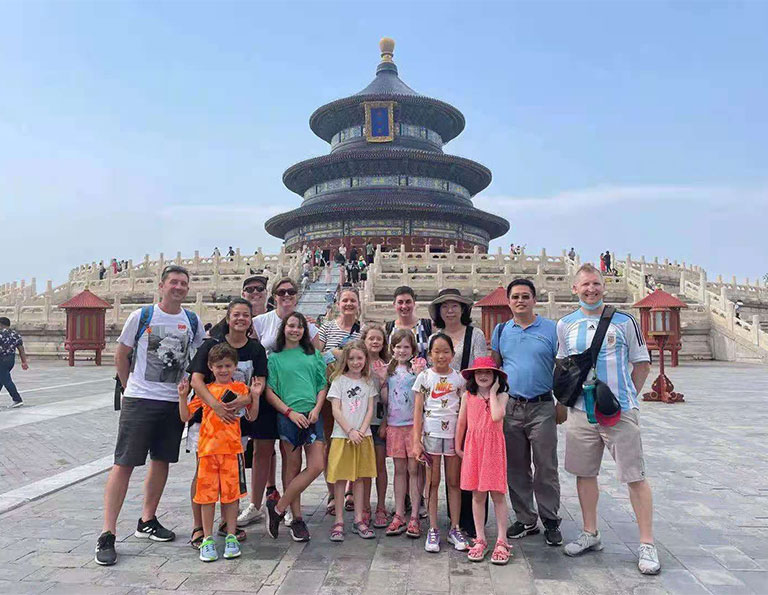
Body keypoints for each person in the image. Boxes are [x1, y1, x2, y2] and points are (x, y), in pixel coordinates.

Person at [95, 265, 205, 566]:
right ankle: (108, 532)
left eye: (184, 283)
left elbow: (201, 355)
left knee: (162, 461)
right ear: (161, 286)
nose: (179, 287)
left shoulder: (192, 320)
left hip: (173, 402)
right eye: (173, 282)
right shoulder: (142, 316)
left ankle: (147, 519)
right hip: (140, 400)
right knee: (124, 463)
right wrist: (129, 383)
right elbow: (121, 353)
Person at [557, 263, 658, 575]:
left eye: (596, 284)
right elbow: (563, 365)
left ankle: (646, 542)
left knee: (634, 475)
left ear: (604, 286)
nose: (591, 289)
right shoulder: (565, 324)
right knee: (584, 473)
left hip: (618, 412)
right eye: (585, 285)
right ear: (574, 289)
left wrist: (625, 398)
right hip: (579, 411)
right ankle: (590, 532)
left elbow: (641, 364)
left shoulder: (623, 322)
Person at [187, 299, 267, 547]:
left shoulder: (255, 349)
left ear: (251, 318)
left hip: (236, 423)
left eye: (246, 315)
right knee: (203, 474)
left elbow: (259, 382)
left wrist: (242, 400)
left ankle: (226, 523)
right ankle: (199, 527)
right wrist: (216, 405)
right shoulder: (212, 345)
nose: (241, 319)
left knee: (231, 476)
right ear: (228, 317)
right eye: (236, 315)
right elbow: (197, 380)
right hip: (208, 422)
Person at [491, 278, 562, 546]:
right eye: (515, 297)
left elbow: (563, 367)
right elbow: (496, 368)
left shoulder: (552, 329)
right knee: (516, 466)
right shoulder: (501, 331)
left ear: (534, 299)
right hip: (511, 406)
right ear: (508, 301)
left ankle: (551, 518)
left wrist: (562, 403)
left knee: (546, 465)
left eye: (525, 296)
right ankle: (525, 518)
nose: (520, 301)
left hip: (542, 405)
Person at [178, 343, 259, 562]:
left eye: (228, 366)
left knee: (231, 496)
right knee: (207, 497)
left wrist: (256, 395)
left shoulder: (241, 389)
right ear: (210, 367)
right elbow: (186, 417)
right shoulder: (206, 392)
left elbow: (252, 416)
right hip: (208, 451)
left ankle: (231, 535)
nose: (223, 370)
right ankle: (207, 537)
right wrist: (182, 397)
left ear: (235, 367)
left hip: (232, 451)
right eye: (219, 366)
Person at [428, 288, 487, 536]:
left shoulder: (476, 335)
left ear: (464, 309)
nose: (450, 310)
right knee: (449, 467)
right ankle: (451, 518)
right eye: (444, 306)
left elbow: (481, 369)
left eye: (455, 305)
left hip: (468, 404)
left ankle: (471, 520)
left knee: (469, 461)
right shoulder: (436, 335)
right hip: (441, 411)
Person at [264, 312, 328, 542]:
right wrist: (289, 413)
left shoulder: (314, 355)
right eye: (291, 326)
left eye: (300, 327)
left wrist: (317, 409)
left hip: (312, 416)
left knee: (317, 465)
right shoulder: (275, 359)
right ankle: (297, 517)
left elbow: (322, 385)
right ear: (284, 329)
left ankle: (278, 508)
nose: (295, 330)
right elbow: (270, 391)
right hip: (288, 416)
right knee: (292, 467)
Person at [412, 334, 469, 553]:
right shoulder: (424, 377)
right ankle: (433, 528)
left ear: (453, 355)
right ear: (429, 354)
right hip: (431, 436)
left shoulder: (459, 379)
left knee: (454, 483)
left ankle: (455, 527)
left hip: (454, 437)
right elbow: (418, 411)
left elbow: (464, 410)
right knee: (432, 482)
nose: (441, 355)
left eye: (446, 351)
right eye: (436, 351)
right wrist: (416, 441)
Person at [456, 357, 512, 565]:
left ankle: (501, 540)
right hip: (474, 446)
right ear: (473, 375)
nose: (483, 376)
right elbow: (461, 422)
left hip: (493, 448)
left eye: (488, 372)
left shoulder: (502, 396)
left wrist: (493, 392)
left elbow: (497, 416)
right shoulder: (467, 396)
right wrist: (457, 445)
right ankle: (480, 537)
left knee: (497, 494)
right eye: (479, 372)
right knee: (477, 494)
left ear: (496, 376)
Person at [317, 287, 363, 513]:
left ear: (358, 303)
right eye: (345, 300)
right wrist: (336, 354)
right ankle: (332, 492)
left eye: (352, 300)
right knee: (331, 441)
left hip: (356, 393)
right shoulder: (326, 328)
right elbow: (317, 355)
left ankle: (351, 491)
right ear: (337, 303)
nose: (348, 304)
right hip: (331, 391)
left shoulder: (362, 331)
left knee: (354, 438)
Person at [327, 341, 378, 542]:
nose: (356, 362)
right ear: (345, 360)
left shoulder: (368, 382)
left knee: (359, 479)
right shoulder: (339, 381)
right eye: (351, 358)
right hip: (343, 436)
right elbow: (336, 410)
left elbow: (370, 410)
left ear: (365, 359)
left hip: (363, 437)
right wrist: (349, 431)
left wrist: (361, 431)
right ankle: (339, 520)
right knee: (341, 479)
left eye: (359, 358)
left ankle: (359, 518)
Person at [384, 330, 426, 538]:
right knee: (399, 470)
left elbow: (424, 394)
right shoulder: (388, 371)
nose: (401, 350)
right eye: (398, 346)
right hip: (394, 425)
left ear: (413, 350)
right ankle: (399, 512)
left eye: (406, 347)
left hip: (413, 426)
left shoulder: (417, 370)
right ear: (392, 349)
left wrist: (419, 373)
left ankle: (415, 516)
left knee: (414, 470)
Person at [361, 323, 390, 528]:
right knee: (363, 469)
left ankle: (381, 506)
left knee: (379, 466)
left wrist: (386, 422)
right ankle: (364, 507)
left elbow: (393, 400)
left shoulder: (388, 366)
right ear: (364, 341)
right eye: (371, 338)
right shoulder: (357, 364)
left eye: (378, 338)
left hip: (379, 421)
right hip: (360, 423)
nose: (375, 342)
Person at [385, 286, 433, 359]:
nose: (404, 306)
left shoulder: (428, 325)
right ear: (394, 304)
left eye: (408, 302)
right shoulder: (388, 328)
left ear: (414, 303)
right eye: (400, 302)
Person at [0, 317, 28, 408]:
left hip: (1, 359)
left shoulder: (0, 334)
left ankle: (17, 399)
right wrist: (24, 362)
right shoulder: (15, 334)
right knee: (2, 379)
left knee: (7, 381)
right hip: (11, 360)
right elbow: (21, 348)